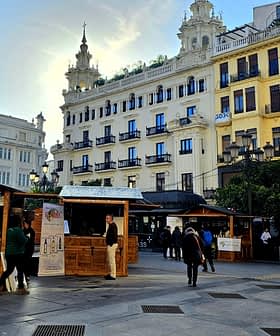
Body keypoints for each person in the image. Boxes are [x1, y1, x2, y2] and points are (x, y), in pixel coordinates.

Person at [0, 214, 29, 295]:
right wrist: (27, 237)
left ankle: (0, 285)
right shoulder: (18, 230)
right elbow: (23, 241)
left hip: (9, 253)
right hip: (17, 253)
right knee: (20, 270)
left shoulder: (8, 230)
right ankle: (20, 288)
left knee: (9, 270)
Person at [104, 214, 118, 280]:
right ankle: (111, 273)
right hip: (111, 244)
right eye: (106, 218)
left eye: (107, 218)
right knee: (110, 260)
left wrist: (110, 243)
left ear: (111, 219)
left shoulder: (113, 225)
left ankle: (113, 275)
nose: (106, 219)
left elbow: (114, 236)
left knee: (112, 260)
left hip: (112, 245)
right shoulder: (111, 225)